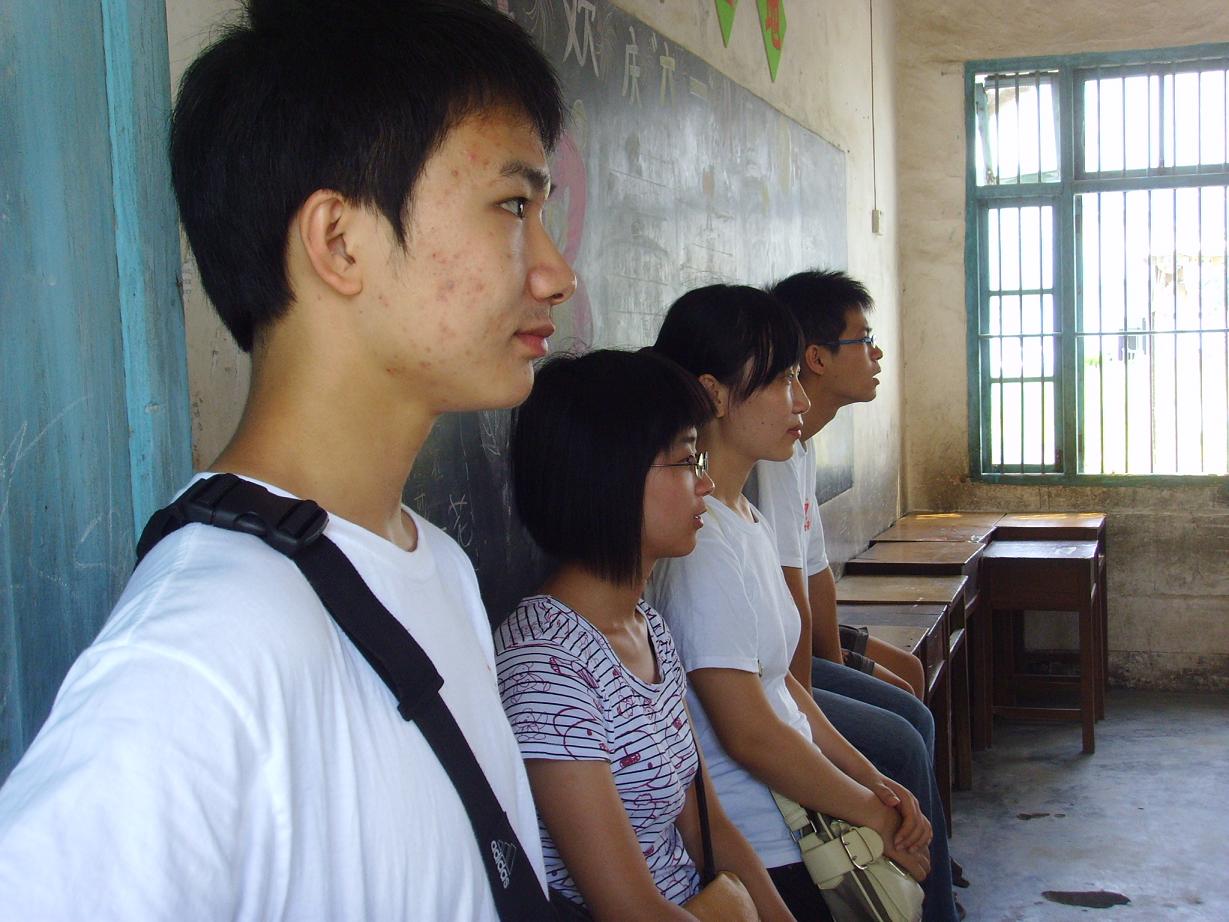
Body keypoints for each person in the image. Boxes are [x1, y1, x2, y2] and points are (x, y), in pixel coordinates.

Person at [0, 1, 576, 918]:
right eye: (513, 205)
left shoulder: (437, 566)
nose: (555, 272)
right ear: (338, 241)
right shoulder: (196, 657)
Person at [648, 285, 954, 922]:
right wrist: (869, 809)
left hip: (803, 822)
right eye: (779, 379)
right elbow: (752, 735)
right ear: (714, 394)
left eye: (796, 376)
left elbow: (783, 683)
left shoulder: (743, 516)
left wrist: (871, 780)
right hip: (776, 844)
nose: (800, 399)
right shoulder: (702, 546)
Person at [496, 349, 795, 922]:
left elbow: (709, 828)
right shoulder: (545, 668)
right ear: (609, 477)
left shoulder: (646, 626)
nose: (705, 482)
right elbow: (629, 909)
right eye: (686, 460)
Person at [751, 269, 968, 912]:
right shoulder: (769, 456)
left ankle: (932, 861)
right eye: (864, 340)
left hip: (795, 655)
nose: (877, 355)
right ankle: (928, 893)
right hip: (776, 664)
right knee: (900, 735)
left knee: (909, 690)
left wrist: (838, 666)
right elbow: (788, 597)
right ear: (816, 357)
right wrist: (814, 699)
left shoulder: (800, 448)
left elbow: (816, 574)